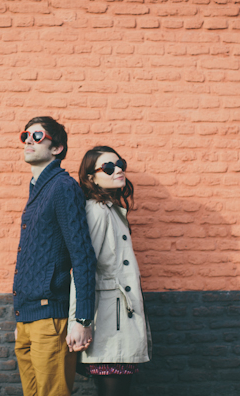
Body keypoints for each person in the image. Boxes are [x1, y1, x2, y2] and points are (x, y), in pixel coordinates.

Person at [13, 116, 98, 396]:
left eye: (38, 136)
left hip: (51, 320)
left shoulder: (62, 187)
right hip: (28, 319)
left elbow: (83, 256)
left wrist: (82, 320)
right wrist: (22, 319)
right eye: (26, 135)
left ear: (57, 148)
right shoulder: (38, 189)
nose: (28, 141)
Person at [67, 146, 151, 396]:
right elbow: (83, 267)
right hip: (107, 321)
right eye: (108, 167)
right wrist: (79, 321)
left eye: (120, 163)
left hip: (117, 317)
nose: (118, 170)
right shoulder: (98, 210)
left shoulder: (111, 209)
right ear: (90, 177)